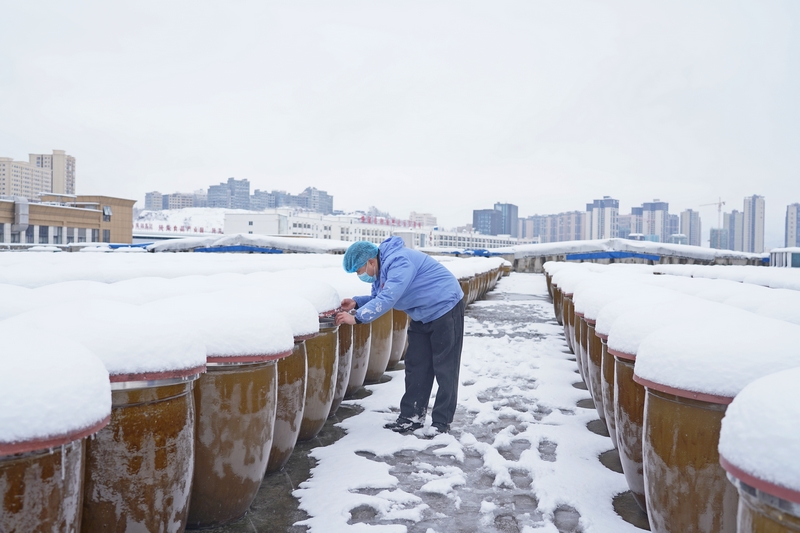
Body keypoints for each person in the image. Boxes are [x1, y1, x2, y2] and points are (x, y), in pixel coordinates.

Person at [335, 237, 465, 436]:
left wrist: (357, 318)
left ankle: (441, 422)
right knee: (416, 366)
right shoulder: (381, 270)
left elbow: (389, 297)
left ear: (370, 262)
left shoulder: (399, 261)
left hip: (446, 307)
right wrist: (357, 303)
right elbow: (379, 297)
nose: (360, 275)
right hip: (421, 314)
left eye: (359, 271)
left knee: (445, 367)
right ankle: (411, 417)